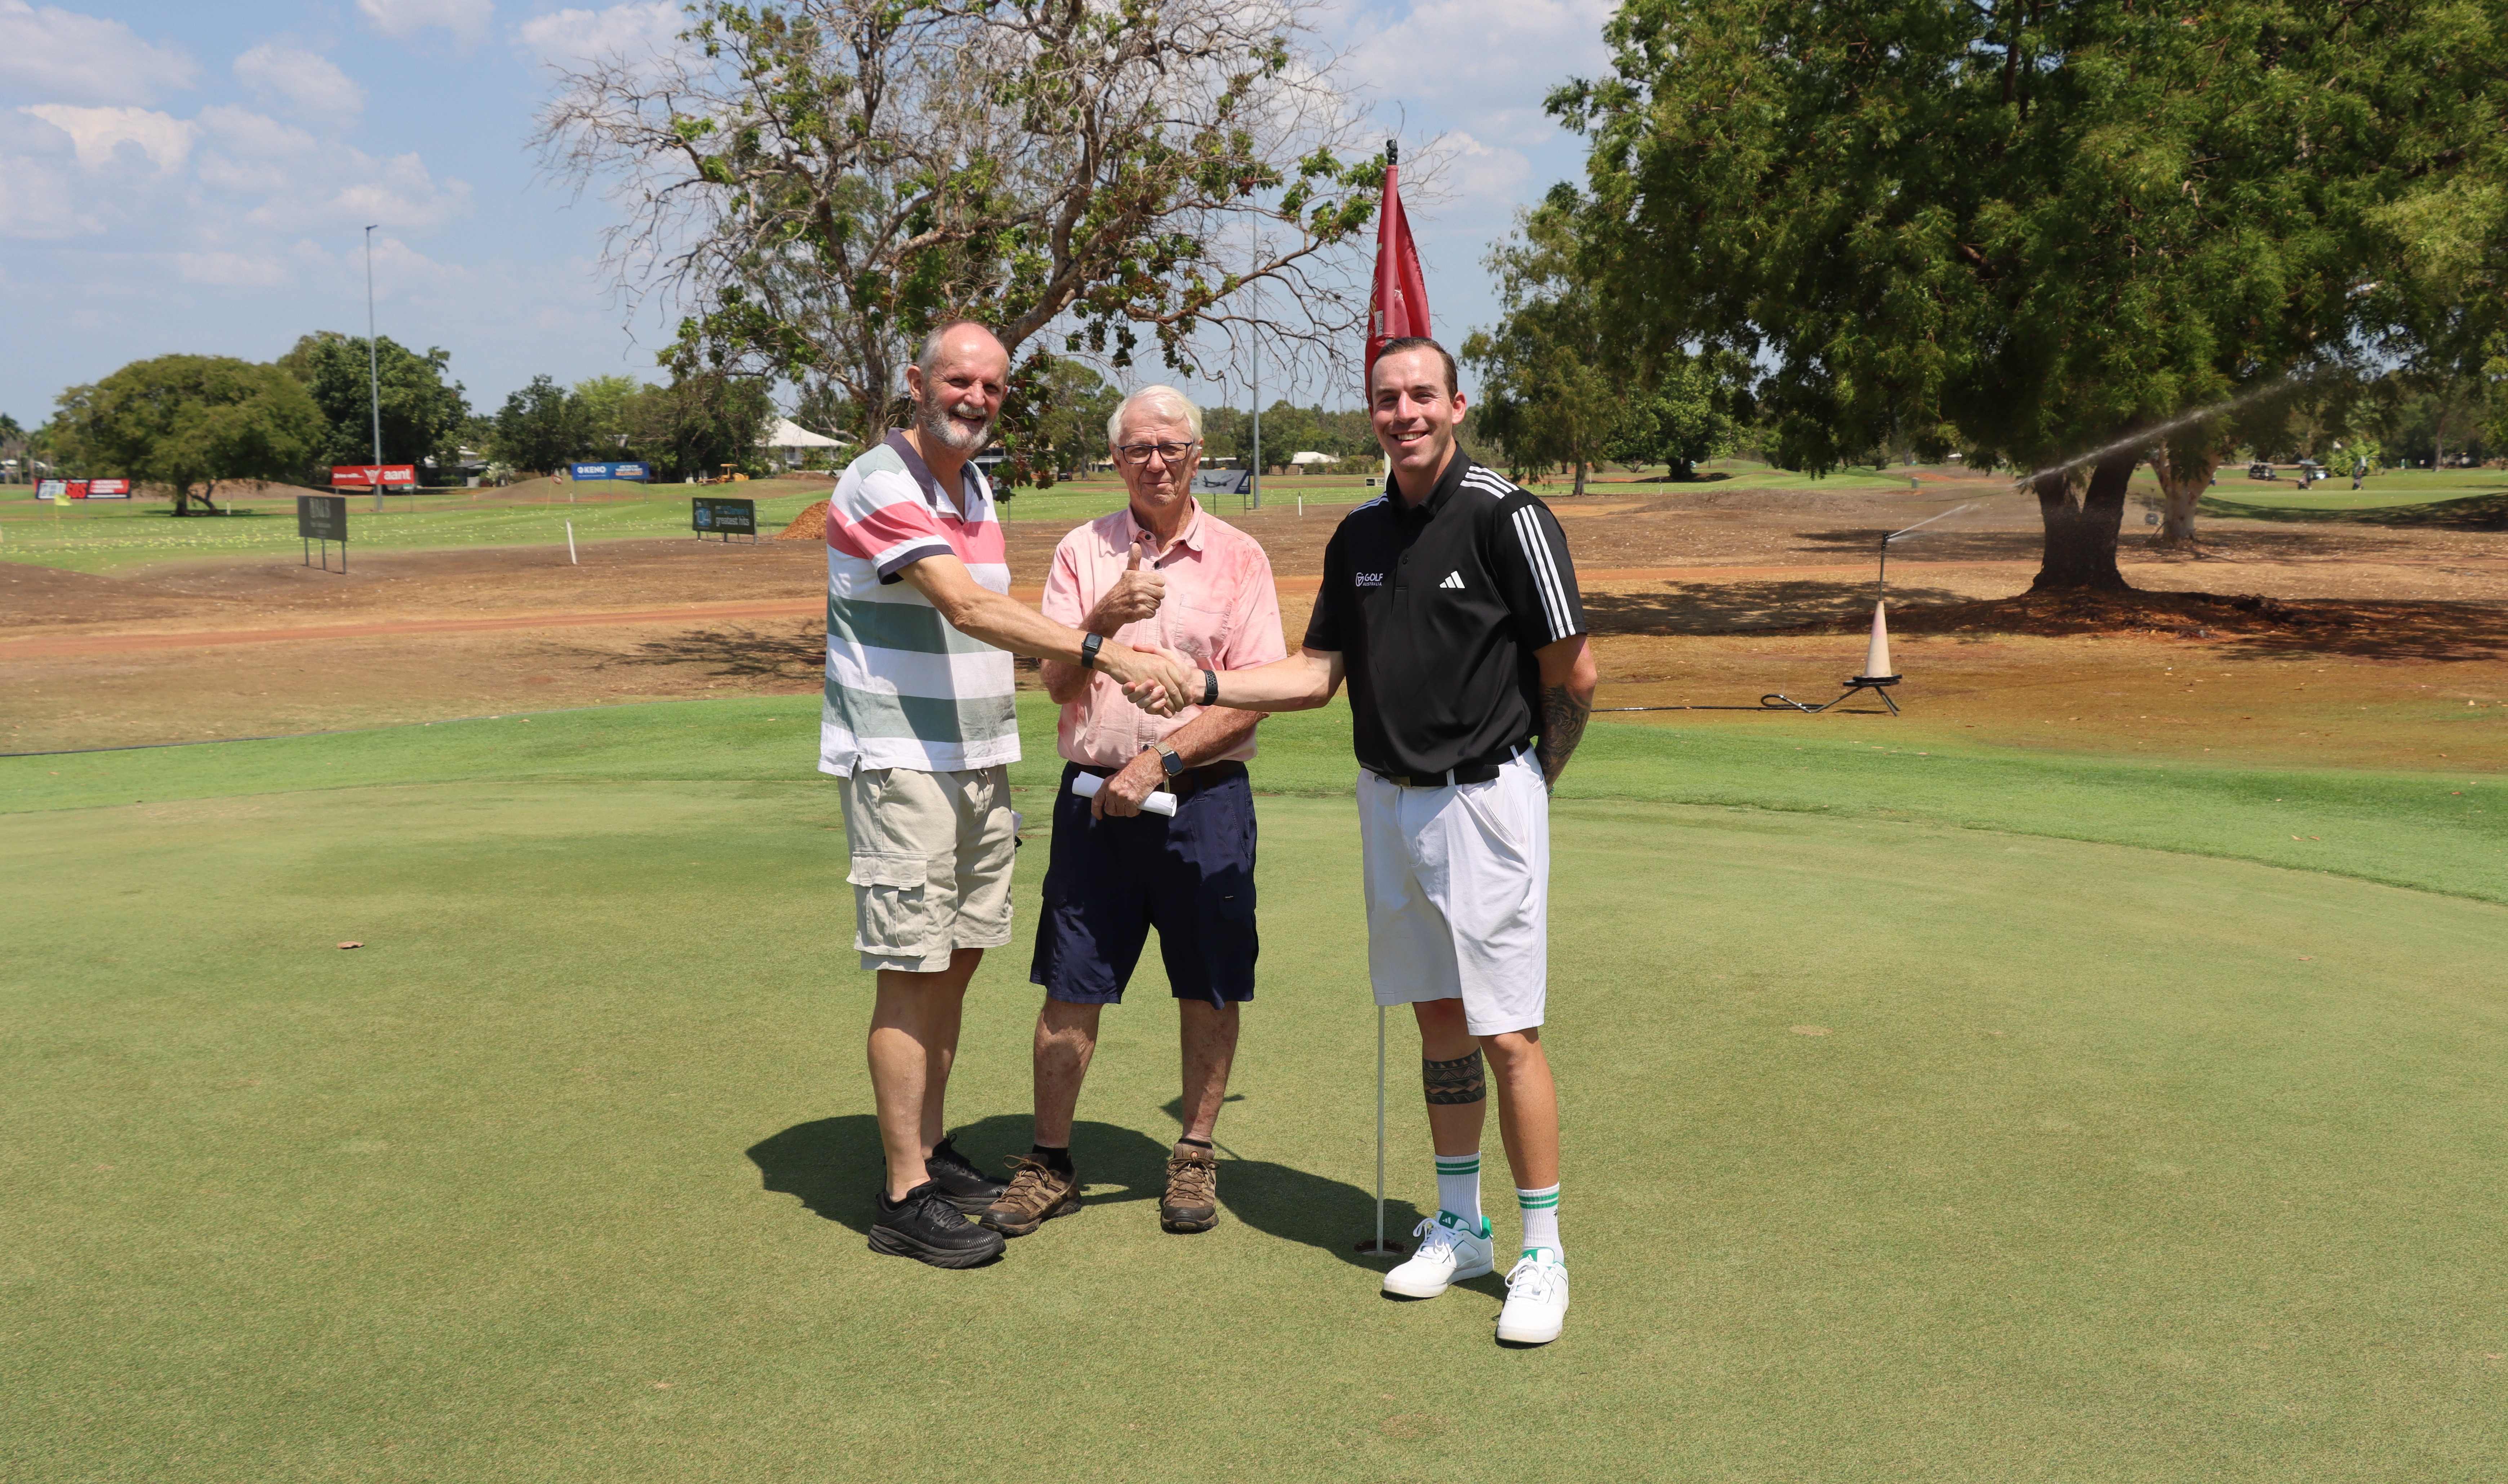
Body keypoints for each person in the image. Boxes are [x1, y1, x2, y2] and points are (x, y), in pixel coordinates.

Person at [1130, 337, 1596, 1345]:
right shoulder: (1359, 535)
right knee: (1438, 1022)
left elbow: (1574, 674)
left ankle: (1543, 1248)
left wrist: (1525, 790)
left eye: (1422, 395)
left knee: (1508, 1032)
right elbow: (1314, 673)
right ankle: (1462, 1224)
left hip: (1488, 800)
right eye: (1387, 400)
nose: (1405, 414)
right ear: (1372, 414)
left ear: (1457, 403)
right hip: (1388, 801)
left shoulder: (1510, 517)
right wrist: (1207, 686)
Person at [821, 320, 1190, 1268]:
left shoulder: (973, 486)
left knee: (955, 961)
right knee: (910, 970)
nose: (976, 397)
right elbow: (970, 607)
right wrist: (1110, 650)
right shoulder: (880, 481)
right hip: (903, 760)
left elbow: (1006, 629)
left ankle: (933, 1152)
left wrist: (1084, 639)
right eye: (959, 380)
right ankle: (902, 1194)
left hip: (977, 759)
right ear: (917, 381)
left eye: (991, 385)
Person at [977, 385, 1288, 1241]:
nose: (1157, 461)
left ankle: (1193, 1152)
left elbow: (1254, 695)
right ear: (1116, 460)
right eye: (1139, 448)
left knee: (1210, 982)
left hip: (1205, 801)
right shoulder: (1084, 551)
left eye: (1172, 447)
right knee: (1071, 986)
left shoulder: (1239, 557)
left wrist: (1163, 756)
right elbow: (1057, 686)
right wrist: (1101, 619)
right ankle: (1050, 1161)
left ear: (1198, 456)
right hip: (1095, 805)